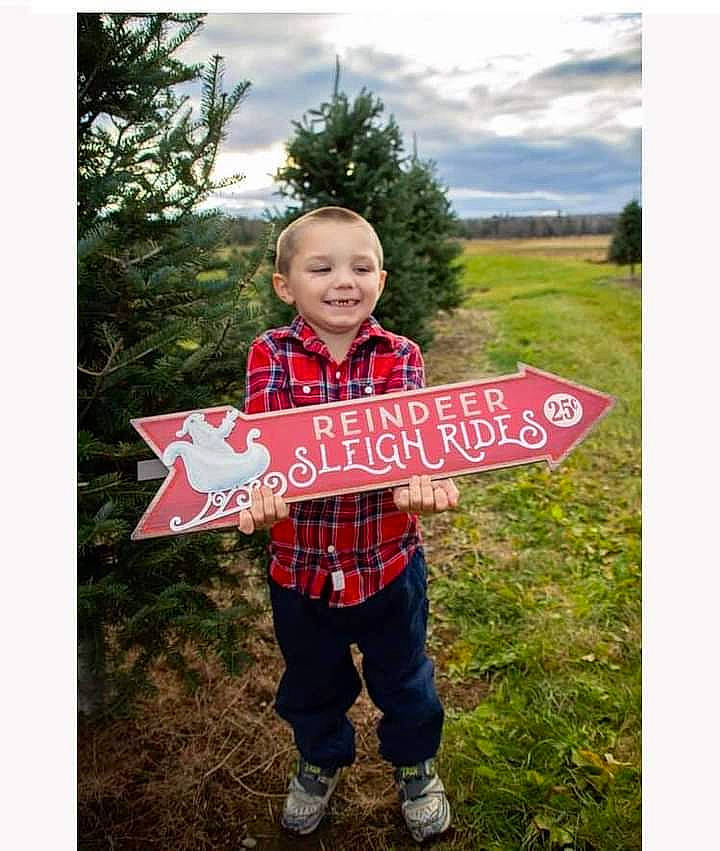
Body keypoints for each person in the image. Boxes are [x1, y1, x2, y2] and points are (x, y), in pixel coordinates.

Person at [237, 206, 460, 843]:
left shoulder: (401, 355)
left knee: (406, 678)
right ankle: (320, 760)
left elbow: (409, 447)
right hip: (300, 569)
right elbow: (271, 448)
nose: (345, 280)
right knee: (312, 683)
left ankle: (415, 765)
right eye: (322, 266)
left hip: (387, 563)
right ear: (286, 286)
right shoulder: (269, 354)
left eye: (361, 267)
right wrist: (262, 494)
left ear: (381, 281)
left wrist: (418, 485)